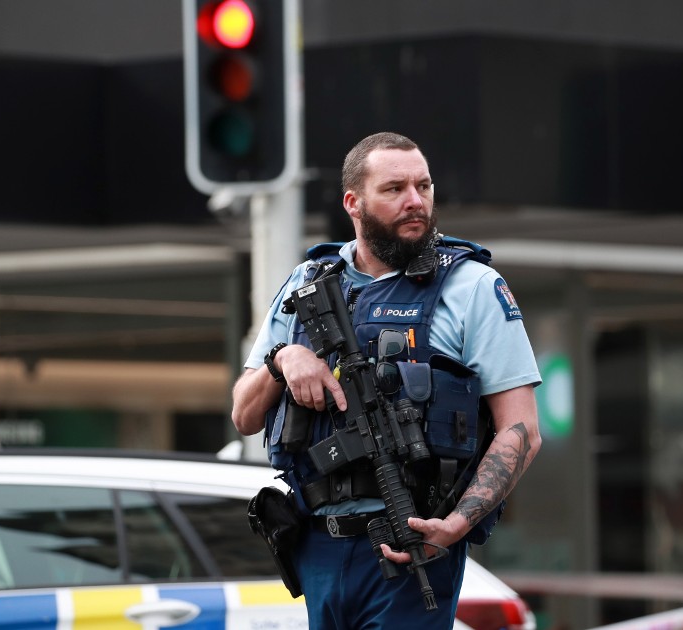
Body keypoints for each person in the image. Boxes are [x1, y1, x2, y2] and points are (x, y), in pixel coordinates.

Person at [232, 131, 542, 629]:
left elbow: (521, 430)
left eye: (424, 185)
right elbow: (244, 415)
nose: (415, 201)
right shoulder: (305, 283)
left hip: (411, 542)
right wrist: (283, 359)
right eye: (395, 189)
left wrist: (454, 526)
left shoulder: (474, 288)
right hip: (316, 546)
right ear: (353, 203)